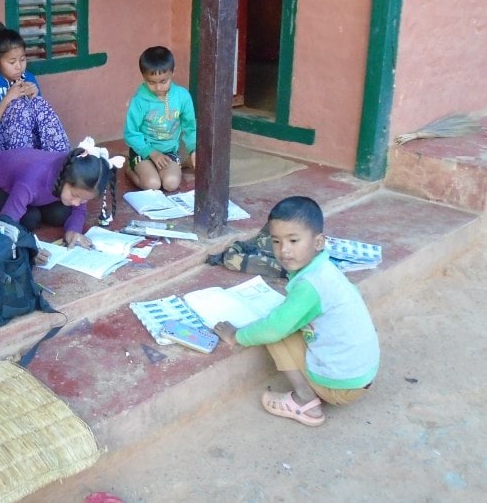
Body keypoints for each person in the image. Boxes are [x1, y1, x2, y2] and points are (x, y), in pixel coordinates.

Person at [213, 196, 380, 427]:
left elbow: (273, 329)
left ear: (318, 242)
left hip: (340, 386)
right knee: (286, 319)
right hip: (361, 375)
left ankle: (305, 401)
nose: (284, 251)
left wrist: (236, 336)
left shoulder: (310, 285)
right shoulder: (327, 269)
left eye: (293, 240)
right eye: (276, 242)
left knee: (277, 329)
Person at [0, 138, 123, 248]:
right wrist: (30, 248)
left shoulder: (79, 177)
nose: (77, 202)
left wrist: (73, 231)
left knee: (61, 213)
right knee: (30, 218)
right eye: (75, 195)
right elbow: (7, 224)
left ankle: (26, 204)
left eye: (82, 199)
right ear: (65, 179)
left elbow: (78, 210)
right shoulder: (31, 180)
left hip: (29, 188)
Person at [0, 22, 70, 162]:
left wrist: (34, 98)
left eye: (22, 60)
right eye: (12, 62)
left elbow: (41, 123)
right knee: (18, 106)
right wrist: (8, 99)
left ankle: (62, 164)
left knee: (39, 103)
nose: (19, 67)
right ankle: (24, 167)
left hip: (28, 147)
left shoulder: (28, 78)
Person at [123, 46, 197, 192]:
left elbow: (190, 127)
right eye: (151, 82)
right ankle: (130, 169)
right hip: (143, 151)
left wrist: (194, 149)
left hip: (168, 152)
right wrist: (151, 152)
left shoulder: (182, 96)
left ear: (172, 73)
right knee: (152, 185)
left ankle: (155, 170)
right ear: (143, 77)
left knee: (171, 184)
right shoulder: (139, 101)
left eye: (163, 81)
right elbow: (130, 133)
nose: (158, 88)